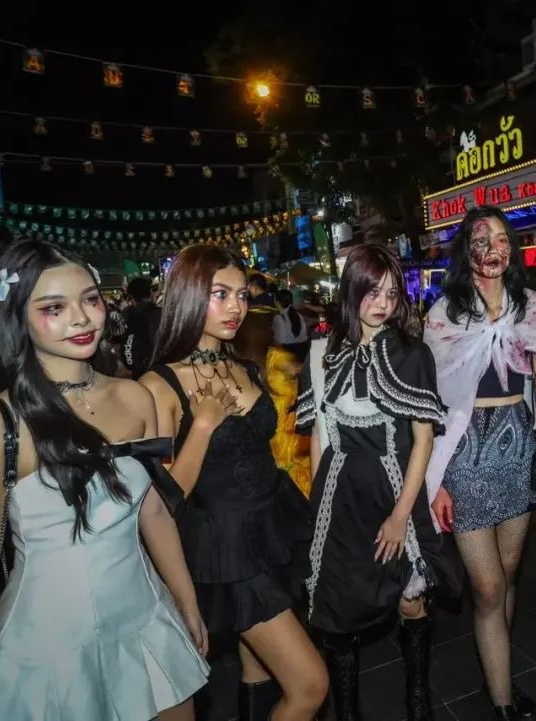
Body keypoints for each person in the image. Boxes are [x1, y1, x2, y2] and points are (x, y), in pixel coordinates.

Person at [0, 241, 209, 720]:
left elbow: (153, 511)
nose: (81, 319)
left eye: (90, 299)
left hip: (145, 619)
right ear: (18, 317)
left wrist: (186, 599)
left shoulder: (136, 397)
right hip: (46, 644)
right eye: (53, 308)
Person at [141, 245, 327, 721]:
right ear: (188, 296)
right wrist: (203, 426)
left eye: (242, 295)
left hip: (273, 524)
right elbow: (163, 500)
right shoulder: (160, 385)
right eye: (219, 294)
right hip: (227, 548)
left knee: (258, 669)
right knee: (310, 685)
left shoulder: (245, 365)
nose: (235, 307)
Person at [294, 244, 462, 721]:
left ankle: (418, 700)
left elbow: (423, 440)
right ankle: (347, 713)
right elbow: (320, 436)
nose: (383, 303)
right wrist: (319, 510)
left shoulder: (412, 354)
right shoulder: (320, 354)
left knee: (412, 600)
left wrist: (400, 515)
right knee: (337, 611)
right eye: (373, 292)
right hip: (339, 497)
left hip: (395, 490)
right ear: (352, 290)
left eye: (391, 293)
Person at [423, 206, 536, 720]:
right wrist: (436, 479)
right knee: (487, 585)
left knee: (508, 571)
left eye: (502, 238)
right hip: (463, 447)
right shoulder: (444, 314)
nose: (494, 248)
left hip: (517, 441)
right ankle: (502, 702)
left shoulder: (534, 307)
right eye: (482, 240)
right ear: (467, 250)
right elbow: (430, 400)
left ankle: (497, 675)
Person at [233, 307, 313, 498]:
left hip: (269, 452)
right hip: (293, 446)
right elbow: (300, 370)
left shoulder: (243, 367)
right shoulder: (279, 358)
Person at [124, 276, 162, 380]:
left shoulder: (129, 314)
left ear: (131, 297)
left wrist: (132, 365)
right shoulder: (160, 313)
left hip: (140, 373)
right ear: (150, 293)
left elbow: (128, 344)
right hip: (161, 372)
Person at [272, 289, 310, 362]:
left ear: (277, 302)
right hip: (303, 353)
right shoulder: (298, 315)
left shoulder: (279, 318)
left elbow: (280, 341)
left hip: (288, 356)